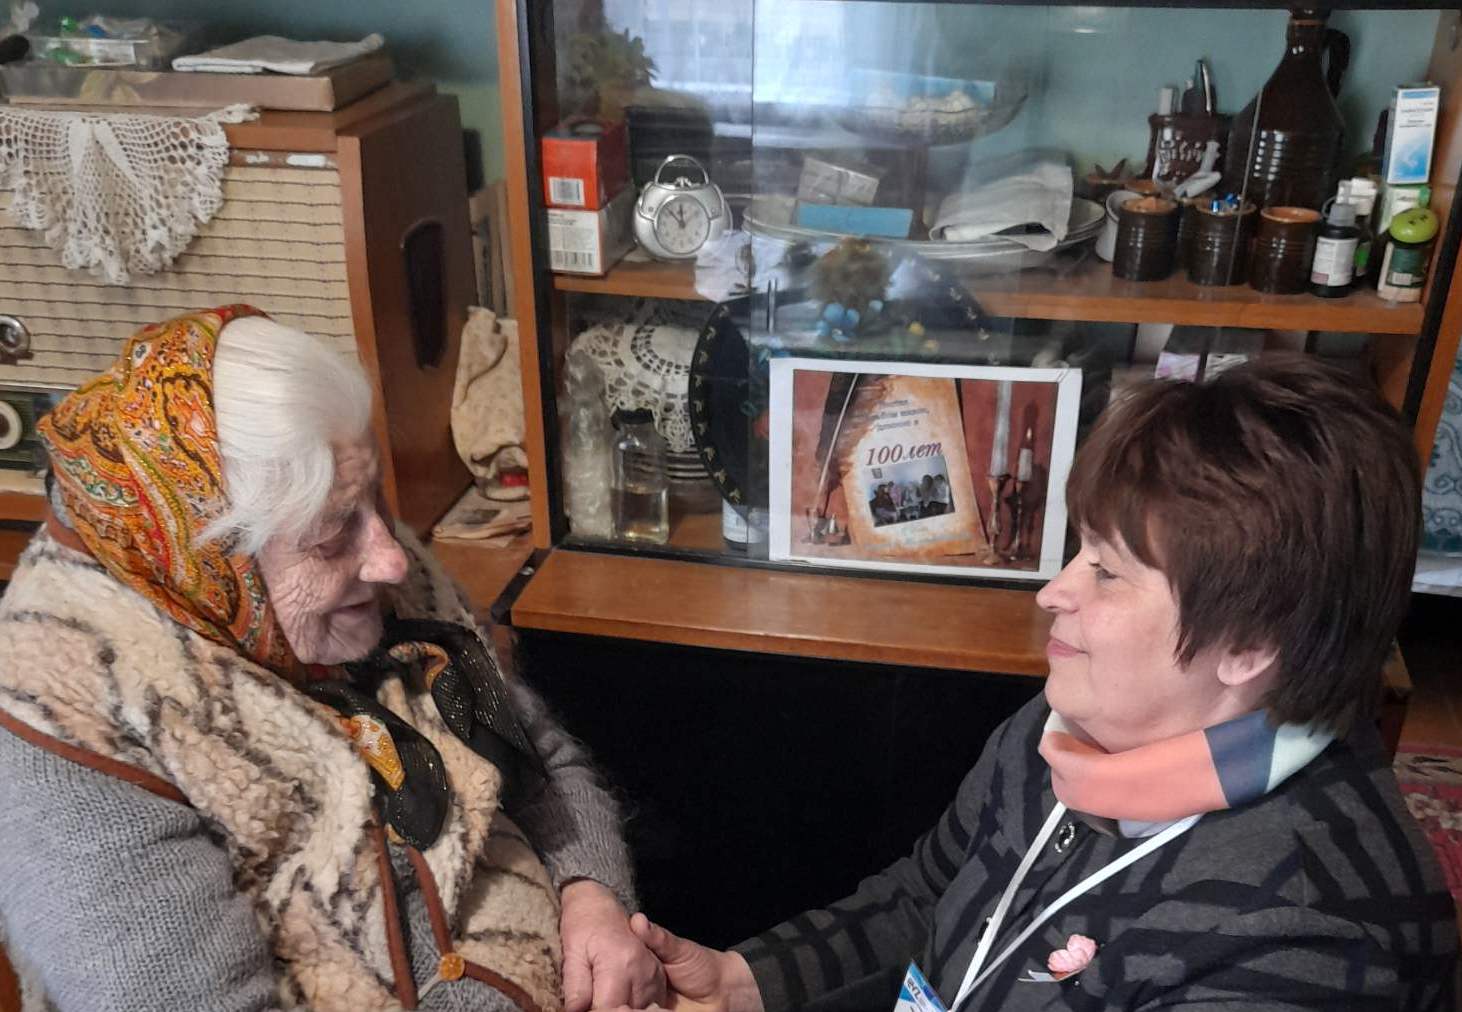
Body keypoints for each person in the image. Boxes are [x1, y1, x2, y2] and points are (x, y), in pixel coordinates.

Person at [622, 356, 1459, 1010]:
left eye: (1107, 571)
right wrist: (744, 983)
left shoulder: (1301, 939)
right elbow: (928, 896)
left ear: (1248, 644)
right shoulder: (1070, 726)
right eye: (1078, 549)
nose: (1054, 591)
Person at [0, 307, 661, 1012]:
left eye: (374, 500)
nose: (390, 558)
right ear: (207, 554)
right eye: (330, 533)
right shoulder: (69, 705)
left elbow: (543, 764)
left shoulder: (367, 576)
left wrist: (592, 896)